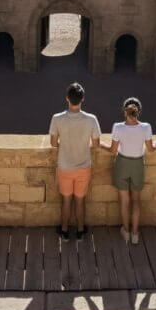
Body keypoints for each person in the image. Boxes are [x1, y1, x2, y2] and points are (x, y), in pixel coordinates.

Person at [48, 81, 101, 241]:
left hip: (65, 166)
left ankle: (64, 231)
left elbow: (53, 143)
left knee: (66, 200)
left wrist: (65, 145)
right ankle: (80, 231)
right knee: (80, 201)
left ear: (67, 98)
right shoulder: (91, 119)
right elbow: (96, 144)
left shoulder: (57, 118)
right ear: (82, 99)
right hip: (83, 167)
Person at [109, 97, 156, 245]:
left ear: (124, 111)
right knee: (136, 201)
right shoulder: (146, 127)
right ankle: (135, 234)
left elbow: (113, 150)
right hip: (138, 164)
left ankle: (126, 232)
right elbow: (150, 149)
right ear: (139, 111)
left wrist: (99, 144)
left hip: (122, 164)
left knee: (124, 201)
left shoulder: (118, 127)